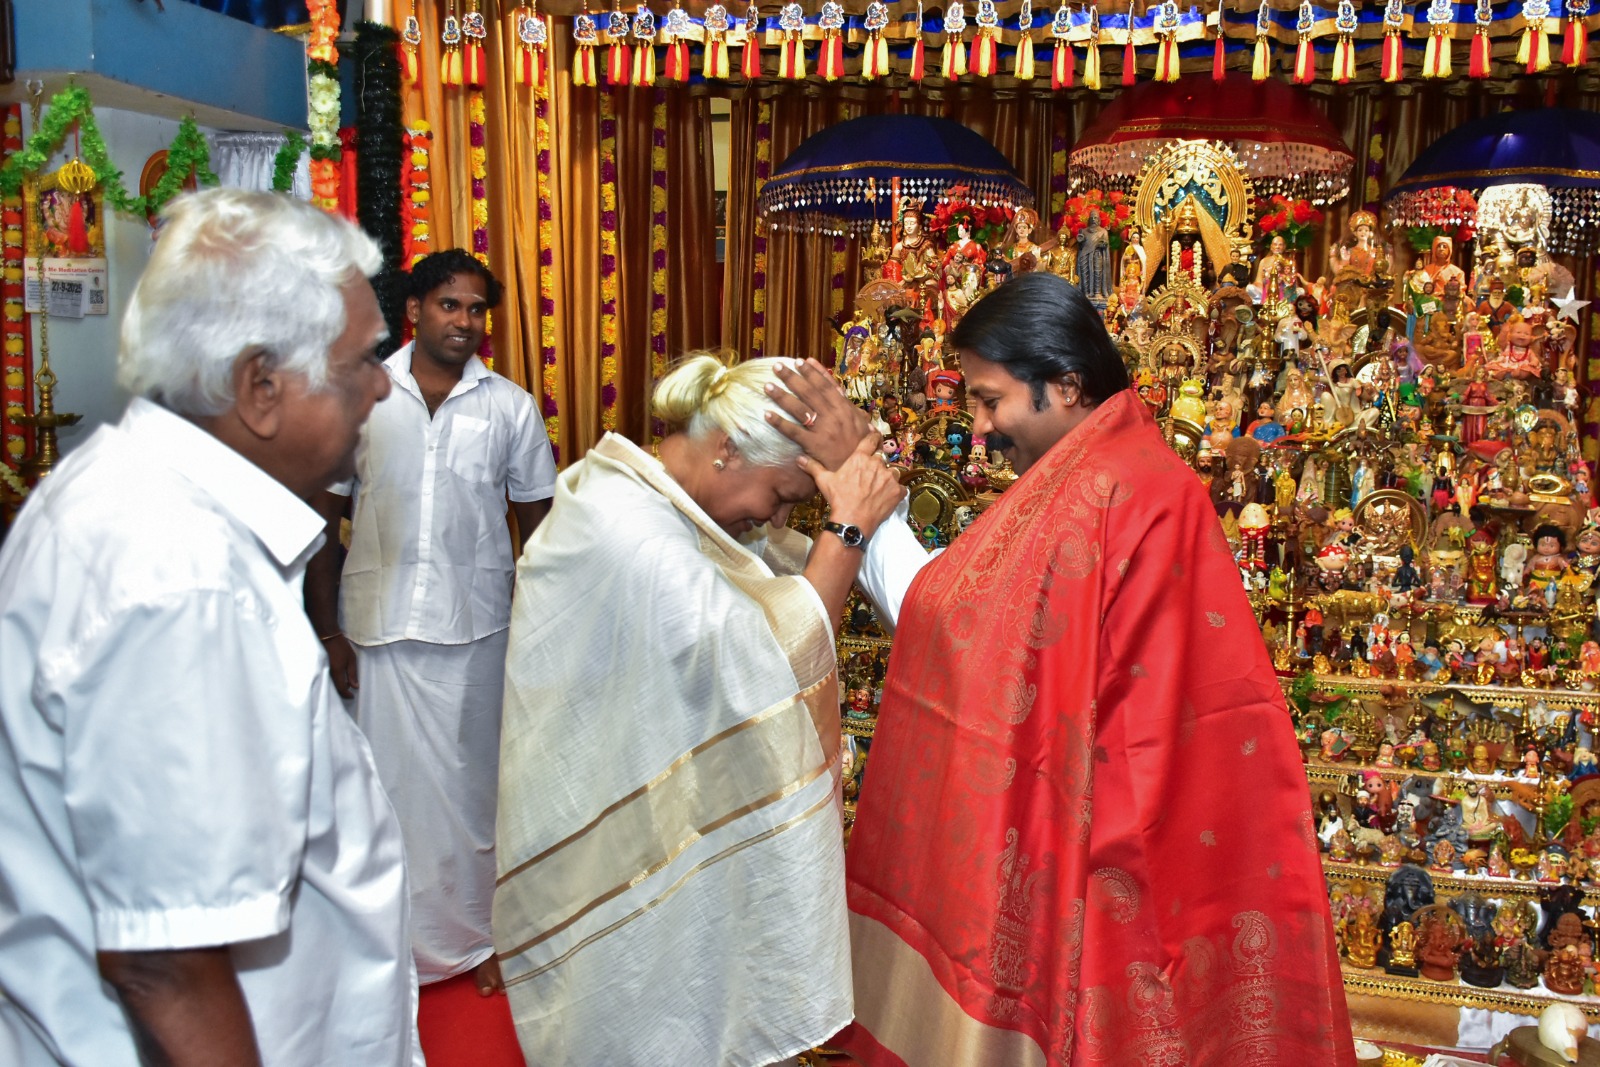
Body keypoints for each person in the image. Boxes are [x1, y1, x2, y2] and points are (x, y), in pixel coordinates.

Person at [810, 272, 1354, 1065]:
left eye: (990, 399)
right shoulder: (1105, 473)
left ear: (1064, 385)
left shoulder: (1104, 488)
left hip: (1120, 840)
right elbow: (979, 623)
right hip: (1114, 818)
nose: (980, 426)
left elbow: (967, 633)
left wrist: (860, 520)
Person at [0, 189, 420, 1065]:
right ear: (260, 386)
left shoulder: (135, 495)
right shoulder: (181, 572)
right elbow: (166, 960)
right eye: (360, 360)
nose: (384, 383)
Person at [494, 353, 903, 1066]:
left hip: (629, 805)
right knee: (634, 1012)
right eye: (779, 496)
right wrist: (848, 531)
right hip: (607, 840)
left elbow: (761, 586)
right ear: (728, 449)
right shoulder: (631, 529)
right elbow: (770, 658)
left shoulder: (645, 498)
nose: (775, 518)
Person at [305, 250, 556, 1007]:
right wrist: (328, 632)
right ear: (414, 309)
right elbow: (323, 523)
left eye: (477, 309)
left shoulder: (510, 407)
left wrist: (539, 635)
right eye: (450, 304)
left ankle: (481, 937)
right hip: (374, 631)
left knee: (476, 796)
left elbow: (540, 529)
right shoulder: (363, 396)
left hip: (477, 631)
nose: (465, 321)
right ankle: (381, 945)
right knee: (379, 797)